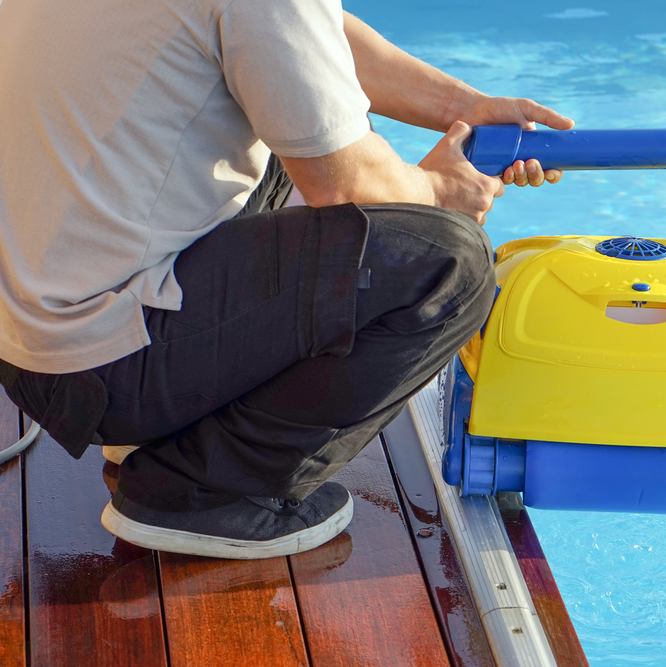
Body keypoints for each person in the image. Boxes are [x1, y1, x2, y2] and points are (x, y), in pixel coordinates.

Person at [0, 0, 573, 559]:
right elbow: (345, 181)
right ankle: (201, 492)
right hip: (102, 365)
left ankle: (162, 427)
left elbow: (317, 41)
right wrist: (440, 193)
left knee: (294, 120)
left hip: (38, 339)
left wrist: (468, 109)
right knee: (447, 262)